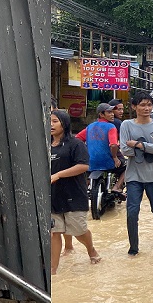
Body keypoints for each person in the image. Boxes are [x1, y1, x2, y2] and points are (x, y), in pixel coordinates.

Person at [118, 92, 153, 255]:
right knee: (132, 212)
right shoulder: (126, 125)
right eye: (142, 105)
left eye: (149, 105)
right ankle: (133, 249)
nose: (146, 108)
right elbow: (125, 150)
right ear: (134, 107)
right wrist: (151, 144)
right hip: (133, 176)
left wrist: (138, 144)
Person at [51, 109, 102, 274]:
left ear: (64, 124)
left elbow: (83, 166)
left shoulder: (75, 144)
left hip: (74, 195)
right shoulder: (45, 145)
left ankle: (91, 249)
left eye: (54, 121)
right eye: (49, 121)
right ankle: (53, 270)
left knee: (79, 231)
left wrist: (58, 175)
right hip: (53, 197)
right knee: (54, 232)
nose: (50, 125)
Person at [77, 103, 123, 220]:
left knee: (85, 176)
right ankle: (117, 187)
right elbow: (113, 145)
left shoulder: (90, 127)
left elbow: (77, 138)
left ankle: (84, 190)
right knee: (127, 167)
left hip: (91, 162)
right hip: (107, 162)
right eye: (109, 112)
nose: (112, 114)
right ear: (101, 114)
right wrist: (115, 157)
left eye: (113, 112)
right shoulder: (111, 127)